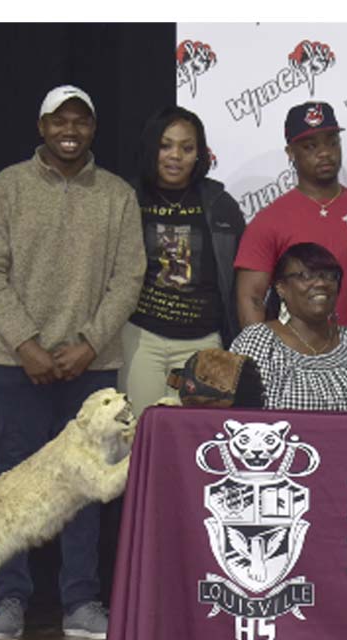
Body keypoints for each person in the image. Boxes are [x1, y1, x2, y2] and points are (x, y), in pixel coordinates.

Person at [0, 85, 146, 640]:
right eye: (59, 121)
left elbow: (129, 278)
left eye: (81, 121)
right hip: (16, 363)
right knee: (15, 484)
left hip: (90, 368)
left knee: (87, 485)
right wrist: (26, 344)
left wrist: (89, 344)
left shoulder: (117, 195)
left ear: (93, 129)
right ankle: (9, 600)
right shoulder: (6, 187)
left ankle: (81, 602)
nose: (70, 130)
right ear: (42, 127)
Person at [119, 106, 246, 412]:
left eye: (187, 148)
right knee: (140, 429)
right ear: (151, 148)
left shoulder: (220, 204)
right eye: (165, 146)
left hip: (202, 341)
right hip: (141, 338)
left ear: (199, 155)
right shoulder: (128, 197)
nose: (175, 156)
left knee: (194, 435)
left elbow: (238, 278)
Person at [234, 101, 347, 328]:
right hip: (296, 346)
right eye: (310, 146)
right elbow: (251, 298)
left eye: (332, 142)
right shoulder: (269, 221)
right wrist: (260, 348)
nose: (325, 153)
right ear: (290, 153)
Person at [230, 243, 347, 414]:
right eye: (306, 276)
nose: (321, 283)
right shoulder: (259, 341)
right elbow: (239, 417)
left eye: (330, 276)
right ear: (281, 288)